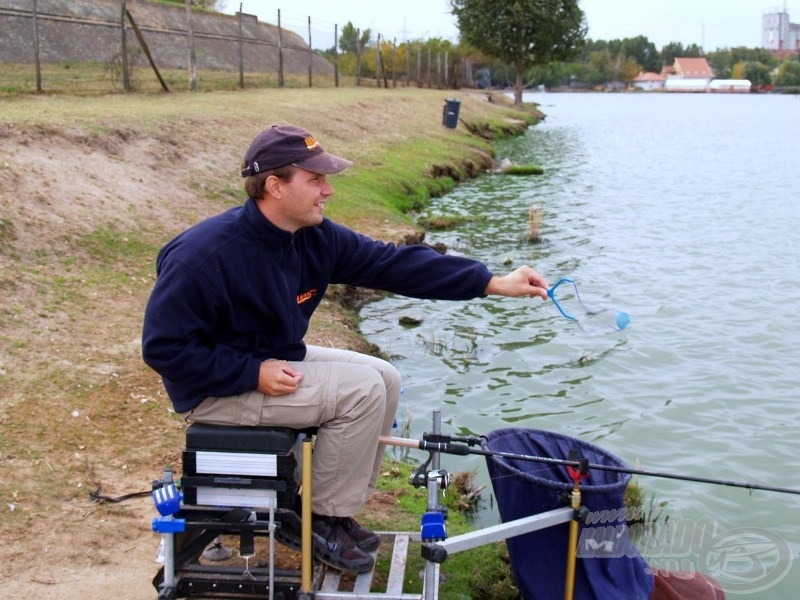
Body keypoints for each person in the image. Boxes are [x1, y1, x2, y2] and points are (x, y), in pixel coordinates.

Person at [141, 124, 550, 574]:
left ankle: (335, 510)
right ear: (274, 186)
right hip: (216, 388)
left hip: (268, 359)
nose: (328, 190)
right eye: (315, 180)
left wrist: (491, 282)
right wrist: (250, 374)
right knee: (361, 392)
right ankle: (318, 521)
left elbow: (392, 264)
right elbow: (163, 349)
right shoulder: (204, 255)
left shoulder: (313, 237)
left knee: (385, 378)